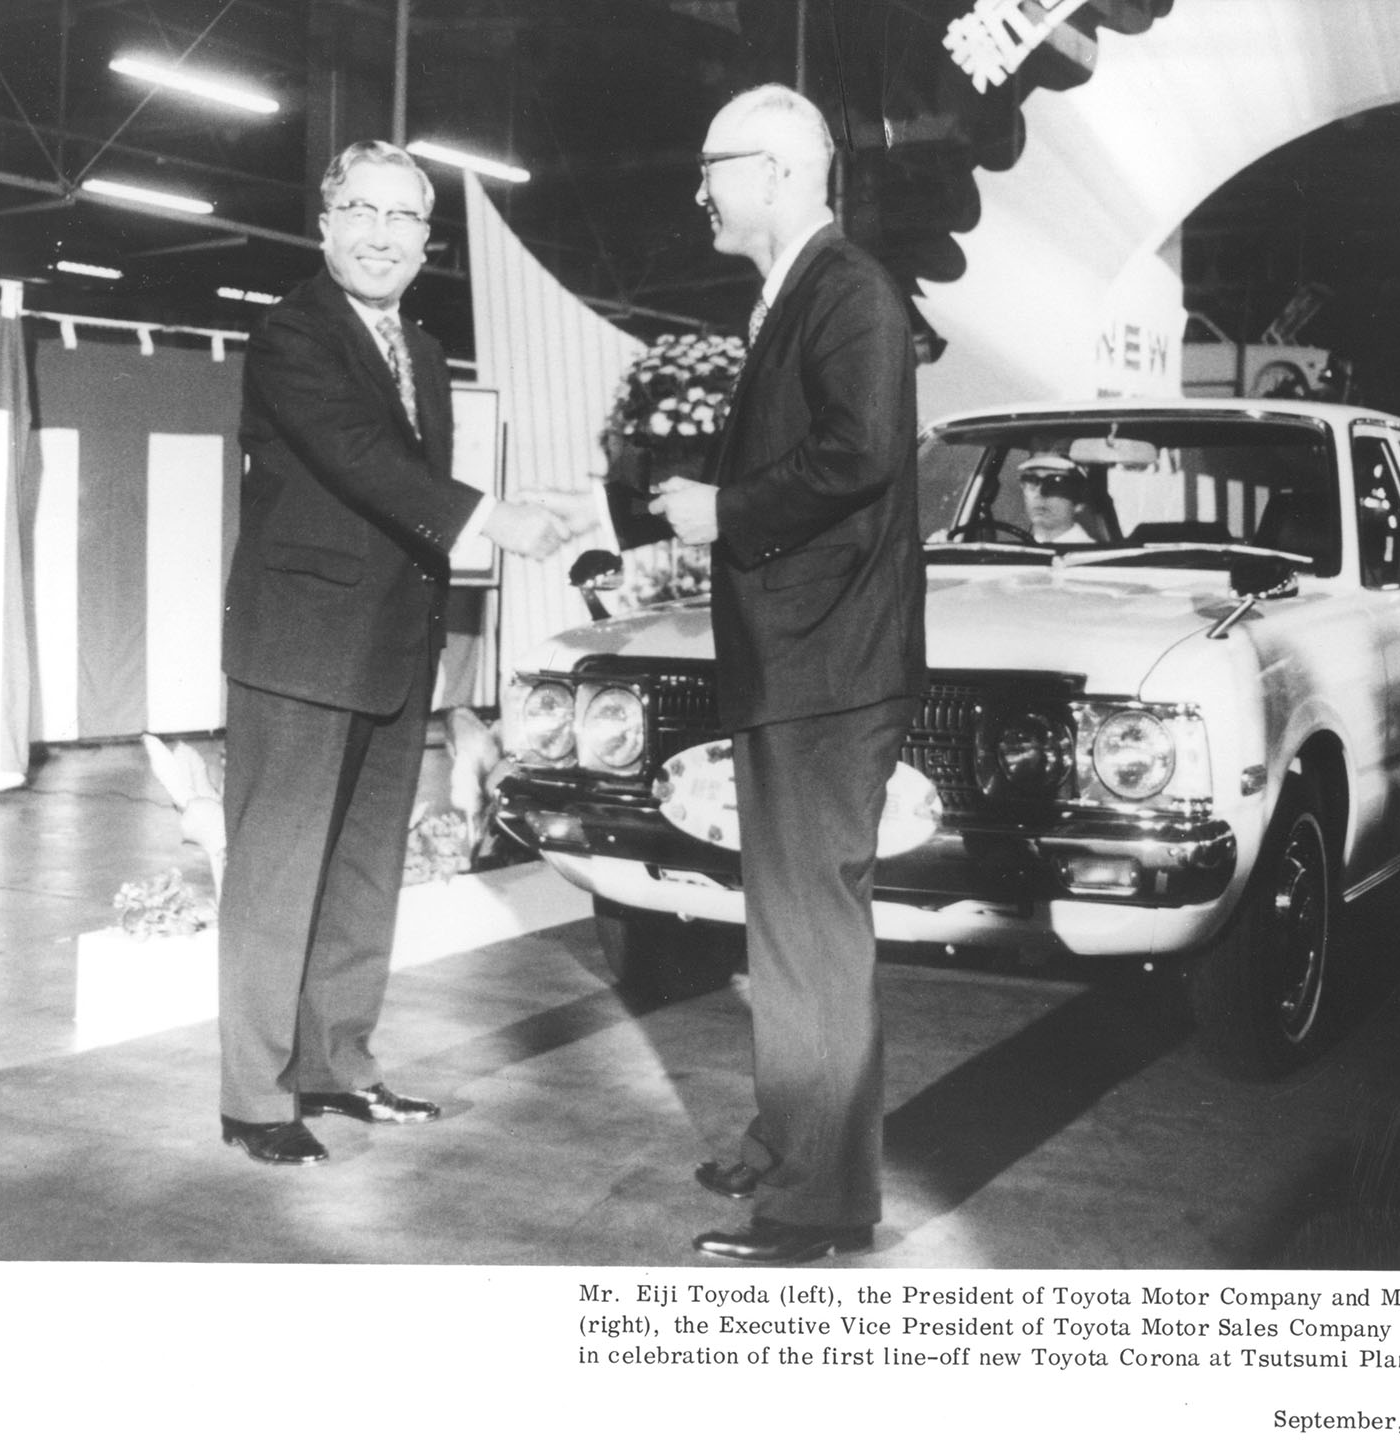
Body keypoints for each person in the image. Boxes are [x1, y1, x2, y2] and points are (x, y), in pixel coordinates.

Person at [217, 139, 567, 1166]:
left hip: (388, 641)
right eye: (359, 213)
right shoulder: (292, 336)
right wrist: (491, 520)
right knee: (277, 876)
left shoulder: (419, 350)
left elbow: (404, 506)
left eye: (401, 219)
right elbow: (362, 461)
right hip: (298, 644)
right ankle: (254, 1097)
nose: (378, 235)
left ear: (427, 243)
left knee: (366, 873)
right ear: (324, 225)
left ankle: (336, 1064)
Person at [649, 85, 926, 1263]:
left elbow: (858, 453)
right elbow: (802, 456)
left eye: (710, 167)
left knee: (811, 939)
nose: (700, 190)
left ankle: (820, 1205)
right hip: (800, 662)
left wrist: (725, 510)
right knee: (788, 932)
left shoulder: (848, 290)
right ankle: (789, 1139)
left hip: (826, 669)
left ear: (770, 170)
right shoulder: (799, 294)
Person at [1015, 455, 1097, 543]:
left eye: (1055, 484)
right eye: (1031, 481)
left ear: (1079, 502)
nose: (1039, 494)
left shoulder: (1092, 555)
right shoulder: (1016, 551)